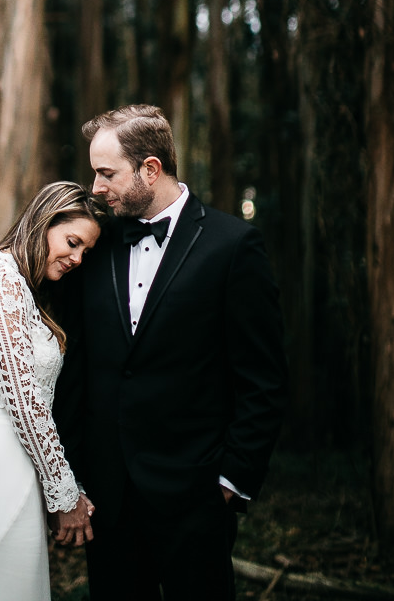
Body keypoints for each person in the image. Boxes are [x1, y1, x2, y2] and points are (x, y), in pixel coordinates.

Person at [52, 104, 287, 601]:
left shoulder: (233, 245)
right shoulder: (94, 244)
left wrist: (230, 480)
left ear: (151, 169)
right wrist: (72, 477)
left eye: (106, 173)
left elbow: (263, 378)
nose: (95, 188)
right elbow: (74, 368)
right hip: (108, 500)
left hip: (196, 498)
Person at [0, 181, 105, 601]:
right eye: (72, 242)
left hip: (14, 459)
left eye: (86, 251)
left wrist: (60, 484)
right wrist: (65, 496)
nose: (77, 258)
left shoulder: (19, 287)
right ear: (45, 221)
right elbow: (25, 403)